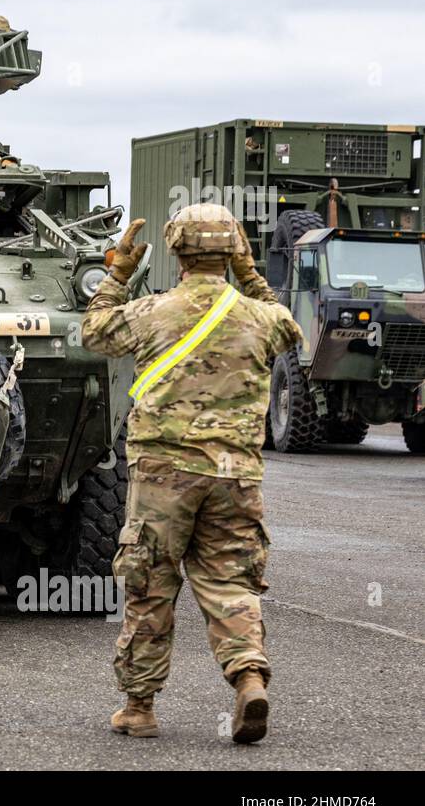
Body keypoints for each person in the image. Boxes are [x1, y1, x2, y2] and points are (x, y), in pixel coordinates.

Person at [81, 203, 303, 743]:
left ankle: (139, 707)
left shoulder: (154, 311)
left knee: (150, 583)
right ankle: (249, 677)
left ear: (176, 252)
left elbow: (94, 332)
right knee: (230, 580)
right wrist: (250, 274)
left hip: (164, 475)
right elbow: (290, 330)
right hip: (235, 475)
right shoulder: (261, 317)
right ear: (233, 252)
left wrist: (118, 272)